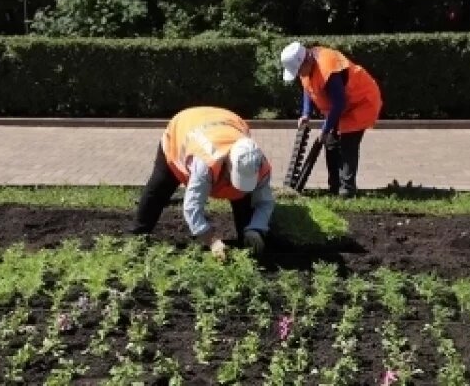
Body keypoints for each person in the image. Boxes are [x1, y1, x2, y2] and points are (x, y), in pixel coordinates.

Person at [131, 106, 275, 260]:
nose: (236, 186)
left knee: (246, 216)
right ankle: (136, 237)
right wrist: (210, 240)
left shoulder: (258, 164)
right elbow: (192, 207)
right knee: (159, 189)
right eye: (234, 180)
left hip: (226, 121)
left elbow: (265, 202)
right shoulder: (206, 162)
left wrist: (255, 228)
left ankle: (248, 236)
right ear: (228, 165)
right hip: (182, 129)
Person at [281, 40, 382, 198]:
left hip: (361, 102)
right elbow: (308, 88)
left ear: (306, 60)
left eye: (299, 70)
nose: (299, 74)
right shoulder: (306, 67)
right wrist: (306, 113)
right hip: (343, 106)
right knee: (331, 143)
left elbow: (339, 103)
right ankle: (334, 188)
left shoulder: (327, 67)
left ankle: (347, 191)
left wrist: (326, 128)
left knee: (347, 145)